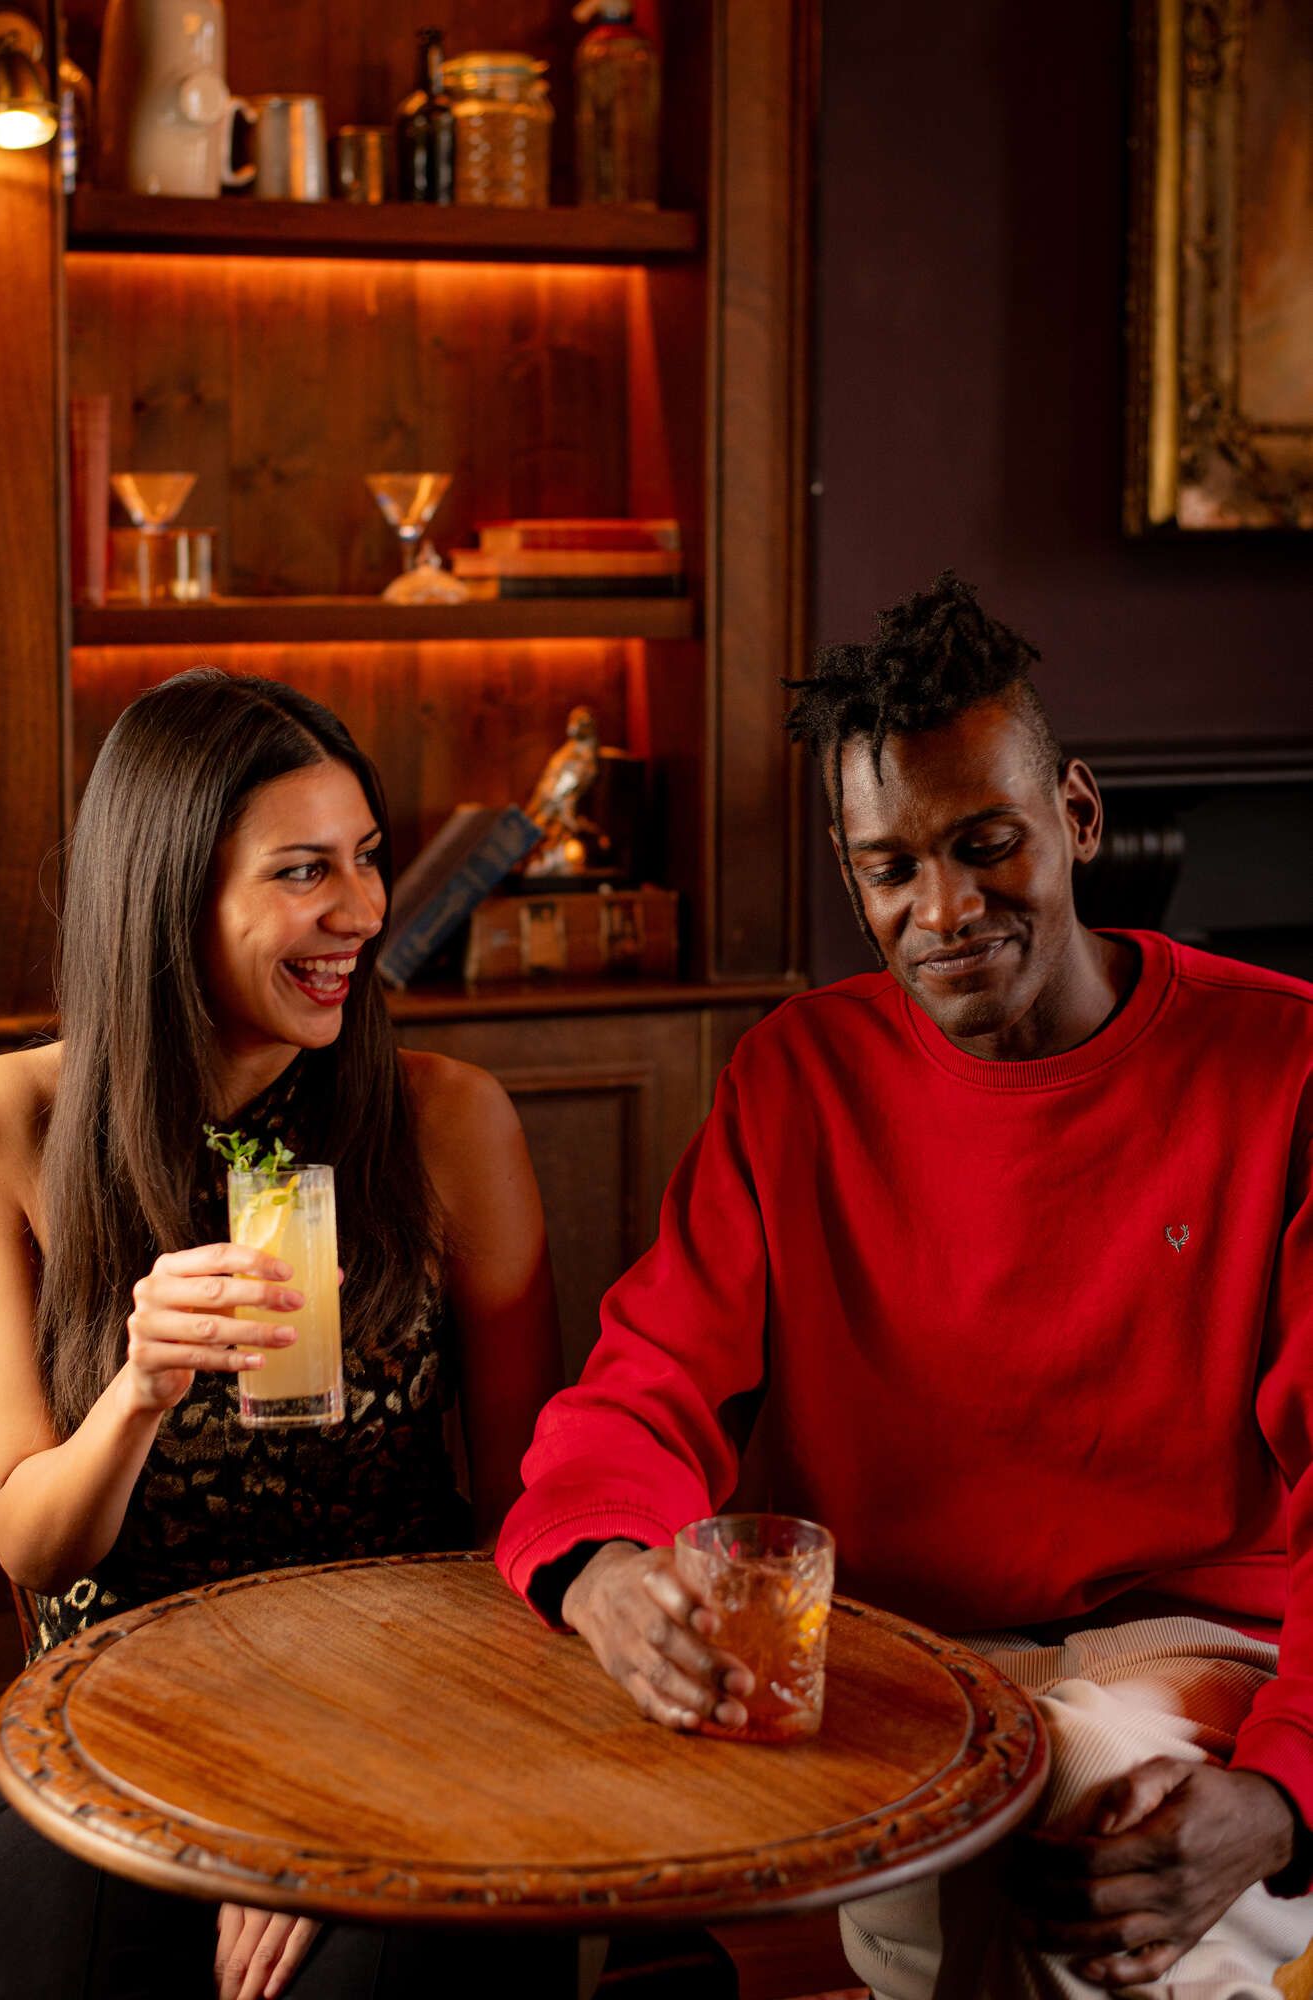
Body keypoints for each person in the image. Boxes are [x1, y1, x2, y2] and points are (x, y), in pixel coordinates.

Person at [495, 573, 1313, 1998]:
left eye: (987, 845)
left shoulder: (1286, 1064)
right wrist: (607, 1569)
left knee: (1078, 1807)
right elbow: (646, 1383)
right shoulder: (796, 1076)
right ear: (848, 869)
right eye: (891, 869)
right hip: (899, 1655)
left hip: (1202, 1644)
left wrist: (1289, 1796)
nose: (944, 909)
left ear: (1078, 816)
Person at [0, 668, 566, 2000]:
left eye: (367, 858)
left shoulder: (449, 1122)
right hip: (121, 1702)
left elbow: (529, 1521)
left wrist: (357, 1787)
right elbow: (35, 1542)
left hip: (406, 1694)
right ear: (169, 896)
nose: (364, 911)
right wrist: (138, 1388)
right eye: (302, 871)